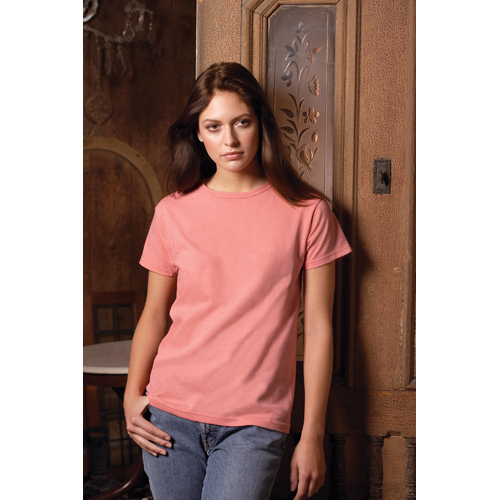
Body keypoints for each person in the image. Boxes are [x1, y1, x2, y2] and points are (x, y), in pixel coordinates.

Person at [124, 61, 351, 500]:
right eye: (214, 126)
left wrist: (311, 435)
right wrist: (133, 395)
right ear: (198, 134)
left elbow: (320, 328)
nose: (229, 140)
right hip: (169, 414)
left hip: (254, 423)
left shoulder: (308, 213)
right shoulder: (172, 213)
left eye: (241, 122)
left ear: (260, 124)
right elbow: (154, 313)